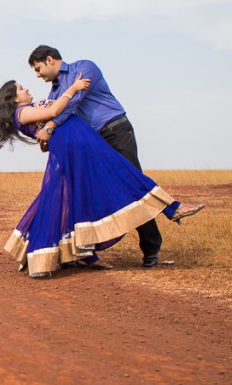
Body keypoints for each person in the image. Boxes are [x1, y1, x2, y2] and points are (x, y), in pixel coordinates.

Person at [0, 74, 204, 278]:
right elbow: (54, 110)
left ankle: (81, 252)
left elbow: (50, 124)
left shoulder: (28, 109)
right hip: (79, 146)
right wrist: (73, 88)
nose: (26, 88)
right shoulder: (21, 112)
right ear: (13, 98)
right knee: (120, 175)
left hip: (81, 142)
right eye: (20, 88)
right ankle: (172, 207)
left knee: (72, 198)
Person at [27, 45, 180, 268]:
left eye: (38, 69)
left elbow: (73, 103)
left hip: (115, 130)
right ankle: (82, 250)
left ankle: (151, 249)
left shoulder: (85, 67)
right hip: (93, 143)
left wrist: (50, 125)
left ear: (49, 60)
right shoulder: (54, 93)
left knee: (132, 185)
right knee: (91, 192)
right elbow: (58, 114)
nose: (38, 75)